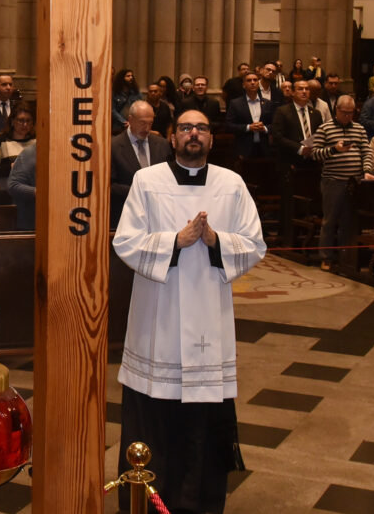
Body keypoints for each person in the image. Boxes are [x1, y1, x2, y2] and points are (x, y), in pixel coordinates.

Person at [113, 109, 266, 514]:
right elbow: (125, 241)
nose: (193, 134)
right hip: (158, 322)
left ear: (211, 138)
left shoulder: (231, 184)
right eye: (185, 128)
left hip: (210, 322)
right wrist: (174, 241)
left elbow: (255, 243)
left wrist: (216, 240)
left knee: (203, 424)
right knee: (155, 417)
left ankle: (200, 504)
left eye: (201, 128)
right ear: (172, 137)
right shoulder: (147, 181)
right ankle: (147, 503)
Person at [311, 95, 374, 272]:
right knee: (330, 221)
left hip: (354, 183)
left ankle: (345, 257)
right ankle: (326, 257)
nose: (348, 116)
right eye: (345, 112)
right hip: (333, 181)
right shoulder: (325, 128)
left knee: (349, 221)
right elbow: (315, 153)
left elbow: (366, 151)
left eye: (351, 113)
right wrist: (335, 149)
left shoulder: (359, 129)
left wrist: (367, 170)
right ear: (337, 110)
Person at [110, 100, 172, 227]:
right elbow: (109, 185)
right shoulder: (112, 146)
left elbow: (170, 179)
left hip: (158, 218)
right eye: (142, 123)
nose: (147, 128)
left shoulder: (162, 145)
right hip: (125, 217)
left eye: (150, 123)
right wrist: (141, 192)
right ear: (130, 120)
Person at [0, 103, 36, 194]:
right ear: (12, 121)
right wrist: (11, 167)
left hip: (29, 193)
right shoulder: (1, 139)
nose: (25, 124)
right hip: (3, 193)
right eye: (21, 120)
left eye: (28, 121)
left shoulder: (36, 141)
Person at [224, 69, 274, 158]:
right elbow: (229, 125)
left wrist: (264, 128)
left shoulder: (268, 103)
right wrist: (248, 127)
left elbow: (275, 125)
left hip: (264, 149)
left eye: (255, 80)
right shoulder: (235, 103)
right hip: (243, 149)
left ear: (258, 84)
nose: (252, 82)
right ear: (243, 85)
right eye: (249, 80)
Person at [111, 68, 142, 134]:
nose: (131, 78)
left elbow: (140, 108)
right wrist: (124, 122)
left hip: (133, 125)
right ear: (121, 78)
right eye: (128, 76)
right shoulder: (115, 93)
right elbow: (112, 110)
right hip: (118, 126)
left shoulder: (136, 93)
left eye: (132, 76)